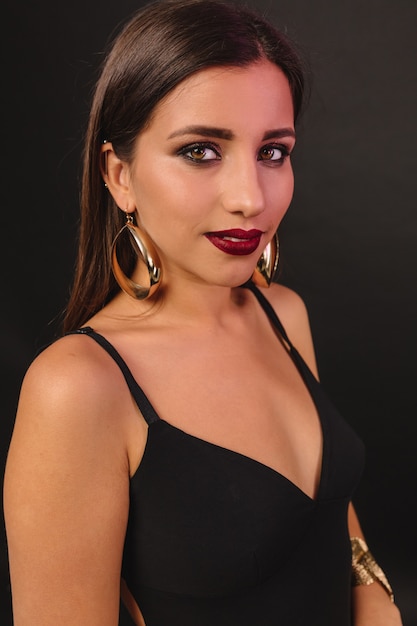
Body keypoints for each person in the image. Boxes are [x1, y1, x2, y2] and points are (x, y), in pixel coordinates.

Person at [3, 0, 402, 624]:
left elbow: (330, 511)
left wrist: (376, 598)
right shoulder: (79, 387)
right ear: (119, 175)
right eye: (200, 151)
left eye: (273, 151)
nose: (249, 197)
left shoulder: (284, 316)